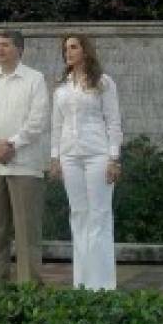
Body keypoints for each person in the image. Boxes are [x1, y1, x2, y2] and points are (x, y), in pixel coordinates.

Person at [0, 30, 49, 284]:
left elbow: (37, 121)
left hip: (24, 166)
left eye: (5, 45)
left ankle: (29, 288)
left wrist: (11, 144)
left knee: (27, 233)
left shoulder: (35, 80)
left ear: (19, 49)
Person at [50, 35, 122, 290]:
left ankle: (102, 285)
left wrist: (114, 158)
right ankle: (81, 282)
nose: (68, 52)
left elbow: (113, 122)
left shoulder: (103, 83)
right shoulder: (62, 87)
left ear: (85, 50)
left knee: (99, 216)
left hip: (97, 154)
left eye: (73, 47)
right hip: (70, 155)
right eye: (65, 48)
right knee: (78, 215)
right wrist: (55, 157)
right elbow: (57, 124)